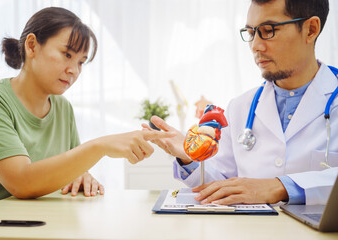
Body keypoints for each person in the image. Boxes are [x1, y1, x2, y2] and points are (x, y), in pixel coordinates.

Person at [143, 0, 338, 205]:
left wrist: (280, 186)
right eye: (251, 33)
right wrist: (189, 159)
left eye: (268, 30)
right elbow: (223, 185)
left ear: (311, 29)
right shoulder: (240, 108)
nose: (255, 46)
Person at [0, 7, 173, 207]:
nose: (73, 71)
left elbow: (69, 169)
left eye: (81, 62)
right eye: (67, 54)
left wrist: (82, 177)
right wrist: (101, 145)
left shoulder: (62, 108)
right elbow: (22, 182)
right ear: (32, 45)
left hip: (39, 225)